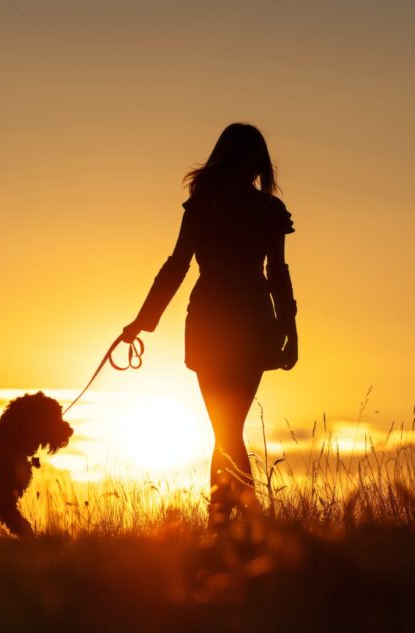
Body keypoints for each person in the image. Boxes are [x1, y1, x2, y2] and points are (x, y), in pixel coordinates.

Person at [121, 123, 298, 528]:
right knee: (228, 426)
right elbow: (276, 272)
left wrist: (142, 321)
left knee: (226, 427)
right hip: (249, 320)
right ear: (255, 162)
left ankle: (227, 523)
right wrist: (289, 328)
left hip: (215, 321)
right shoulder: (263, 210)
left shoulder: (207, 205)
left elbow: (177, 266)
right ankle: (241, 524)